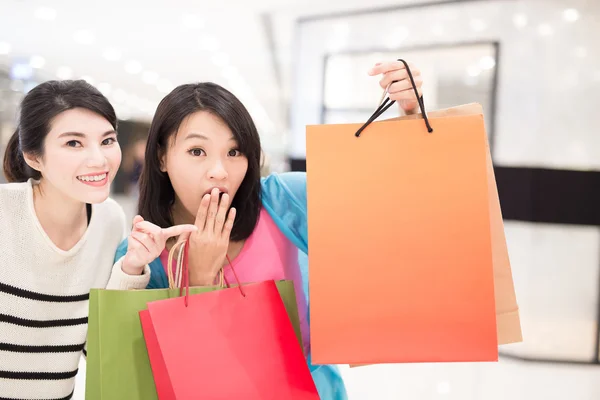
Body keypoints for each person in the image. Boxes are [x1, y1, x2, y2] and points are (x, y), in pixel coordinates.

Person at [114, 60, 424, 399]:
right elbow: (152, 377)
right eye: (197, 151)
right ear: (160, 158)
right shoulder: (142, 256)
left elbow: (386, 201)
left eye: (234, 151)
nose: (219, 170)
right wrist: (201, 278)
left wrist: (408, 117)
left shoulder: (281, 200)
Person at [0, 80, 195, 399]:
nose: (99, 160)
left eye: (107, 141)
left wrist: (131, 267)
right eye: (74, 143)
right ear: (34, 157)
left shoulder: (108, 219)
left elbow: (98, 344)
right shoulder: (4, 212)